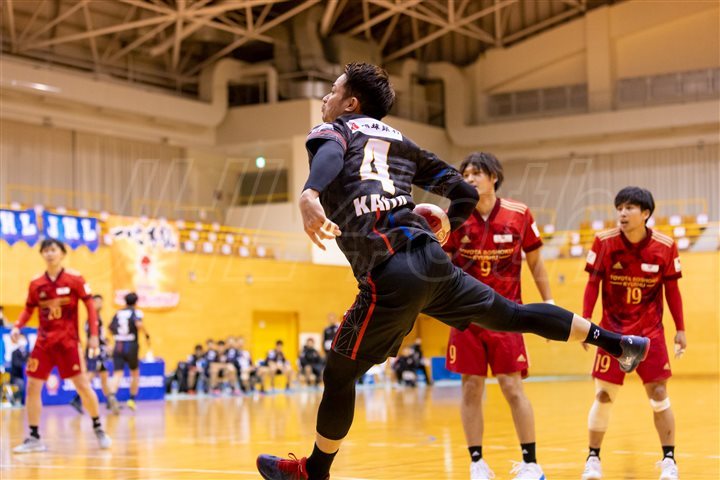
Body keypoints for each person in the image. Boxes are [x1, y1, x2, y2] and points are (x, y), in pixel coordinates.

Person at [256, 62, 649, 480]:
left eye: (333, 91)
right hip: (432, 262)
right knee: (513, 315)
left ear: (350, 103)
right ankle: (617, 342)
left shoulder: (334, 130)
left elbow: (331, 155)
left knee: (339, 372)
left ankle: (314, 472)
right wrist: (447, 225)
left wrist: (310, 192)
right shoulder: (402, 142)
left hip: (389, 269)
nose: (326, 97)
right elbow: (463, 192)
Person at [443, 152, 551, 479]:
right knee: (470, 388)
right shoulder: (454, 216)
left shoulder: (520, 213)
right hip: (467, 317)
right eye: (465, 174)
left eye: (477, 173)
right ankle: (477, 463)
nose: (470, 179)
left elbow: (536, 262)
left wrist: (549, 303)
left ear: (494, 177)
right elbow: (442, 265)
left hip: (508, 315)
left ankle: (531, 463)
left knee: (512, 387)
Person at [581, 187, 685, 480]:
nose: (622, 213)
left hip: (650, 334)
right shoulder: (604, 242)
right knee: (603, 395)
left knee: (660, 394)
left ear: (646, 213)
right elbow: (592, 283)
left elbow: (673, 291)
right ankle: (593, 458)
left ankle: (669, 460)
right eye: (619, 208)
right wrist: (586, 320)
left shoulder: (665, 246)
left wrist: (681, 329)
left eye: (629, 208)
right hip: (611, 333)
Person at [10, 238, 111, 453]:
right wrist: (17, 326)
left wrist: (94, 334)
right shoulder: (36, 283)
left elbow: (90, 306)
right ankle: (34, 437)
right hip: (44, 343)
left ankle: (98, 427)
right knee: (32, 386)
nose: (49, 253)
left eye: (53, 249)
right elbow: (28, 309)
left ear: (62, 253)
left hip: (68, 343)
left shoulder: (75, 279)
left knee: (82, 385)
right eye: (45, 250)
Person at [69, 294, 116, 414]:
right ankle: (76, 399)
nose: (100, 304)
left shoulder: (97, 317)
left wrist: (105, 343)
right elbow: (93, 337)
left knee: (104, 375)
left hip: (99, 350)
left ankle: (110, 401)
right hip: (95, 351)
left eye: (101, 302)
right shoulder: (92, 318)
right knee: (90, 374)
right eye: (97, 302)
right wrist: (101, 347)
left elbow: (99, 336)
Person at [108, 292, 150, 412]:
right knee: (135, 373)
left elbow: (110, 328)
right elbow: (139, 324)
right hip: (131, 344)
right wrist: (146, 334)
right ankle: (131, 399)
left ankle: (112, 395)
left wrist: (118, 335)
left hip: (118, 344)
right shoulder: (136, 312)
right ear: (136, 302)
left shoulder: (118, 313)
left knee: (117, 373)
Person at [9, 334, 30, 405]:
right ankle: (22, 401)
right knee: (21, 383)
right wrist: (25, 366)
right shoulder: (14, 353)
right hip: (17, 377)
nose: (22, 341)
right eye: (21, 339)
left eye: (23, 339)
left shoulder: (28, 353)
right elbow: (17, 364)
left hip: (27, 377)